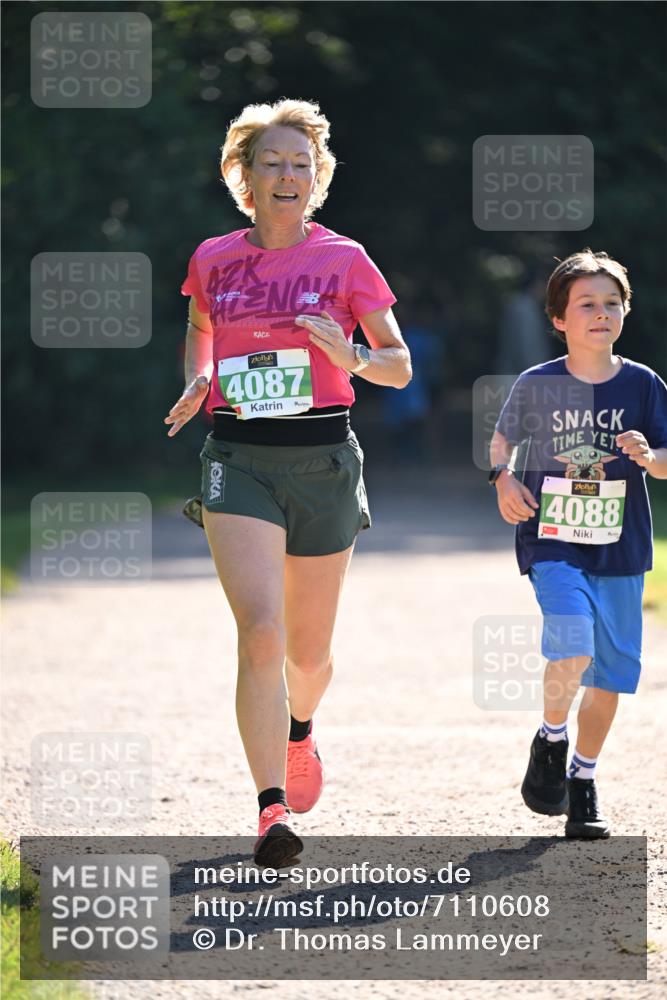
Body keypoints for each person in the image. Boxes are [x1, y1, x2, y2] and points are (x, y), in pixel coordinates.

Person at [164, 99, 411, 866]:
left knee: (307, 656)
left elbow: (398, 366)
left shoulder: (345, 260)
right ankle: (270, 808)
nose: (287, 175)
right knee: (260, 633)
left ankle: (302, 728)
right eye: (271, 162)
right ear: (243, 176)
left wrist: (350, 353)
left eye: (300, 164)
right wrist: (198, 381)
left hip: (323, 462)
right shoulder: (212, 258)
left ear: (318, 178)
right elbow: (201, 337)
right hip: (236, 459)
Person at [489, 249, 667, 838]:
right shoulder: (538, 384)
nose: (600, 313)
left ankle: (583, 781)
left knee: (610, 676)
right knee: (572, 638)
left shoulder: (643, 384)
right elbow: (501, 442)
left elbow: (665, 463)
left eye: (611, 304)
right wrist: (504, 478)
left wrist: (648, 456)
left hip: (621, 547)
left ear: (625, 313)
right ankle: (550, 738)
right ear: (560, 318)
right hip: (552, 539)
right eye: (586, 304)